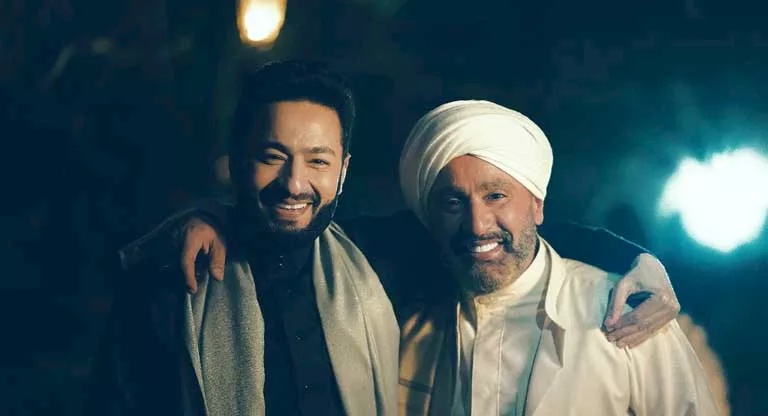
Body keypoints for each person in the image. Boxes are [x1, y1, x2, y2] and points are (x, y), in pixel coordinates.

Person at [90, 61, 680, 416]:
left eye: (317, 161)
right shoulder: (170, 282)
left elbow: (499, 231)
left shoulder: (373, 258)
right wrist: (203, 218)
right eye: (272, 157)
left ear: (343, 170)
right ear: (238, 162)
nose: (295, 183)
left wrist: (634, 257)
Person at [394, 100, 719, 414]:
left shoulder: (627, 312)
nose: (477, 225)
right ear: (429, 216)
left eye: (496, 196)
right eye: (453, 203)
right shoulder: (406, 323)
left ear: (537, 205)